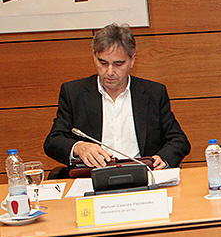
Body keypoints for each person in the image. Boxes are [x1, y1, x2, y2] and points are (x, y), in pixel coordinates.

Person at [44, 23, 191, 169]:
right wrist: (78, 147)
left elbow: (178, 140)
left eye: (118, 64)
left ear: (132, 60)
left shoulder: (153, 93)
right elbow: (53, 141)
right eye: (103, 63)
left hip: (143, 174)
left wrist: (163, 158)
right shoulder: (74, 92)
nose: (109, 72)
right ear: (94, 57)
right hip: (92, 177)